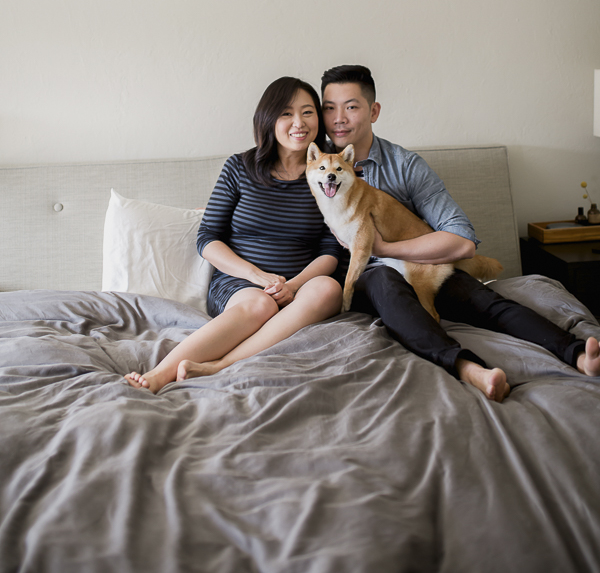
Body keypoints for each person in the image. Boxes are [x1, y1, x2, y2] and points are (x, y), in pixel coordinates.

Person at [320, 64, 600, 403]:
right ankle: (470, 369)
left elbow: (462, 240)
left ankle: (578, 354)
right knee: (385, 280)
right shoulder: (316, 167)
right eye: (329, 108)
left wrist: (387, 248)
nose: (338, 119)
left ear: (374, 111)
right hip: (369, 279)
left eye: (351, 107)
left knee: (482, 299)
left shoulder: (405, 166)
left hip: (417, 265)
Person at [125, 77, 342, 392]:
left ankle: (218, 366)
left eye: (308, 112)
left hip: (298, 287)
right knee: (262, 305)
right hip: (241, 284)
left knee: (329, 290)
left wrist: (292, 286)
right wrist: (257, 276)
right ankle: (159, 374)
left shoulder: (329, 173)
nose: (299, 122)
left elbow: (331, 250)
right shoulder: (240, 167)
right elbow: (207, 237)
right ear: (268, 119)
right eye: (286, 113)